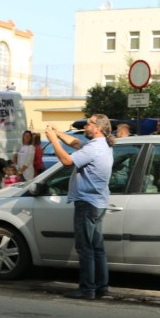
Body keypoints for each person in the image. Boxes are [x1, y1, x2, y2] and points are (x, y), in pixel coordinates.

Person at [45, 115, 114, 300]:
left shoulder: (93, 149)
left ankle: (87, 289)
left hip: (87, 203)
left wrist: (52, 140)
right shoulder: (102, 145)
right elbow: (76, 143)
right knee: (97, 247)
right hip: (98, 202)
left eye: (89, 123)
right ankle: (101, 287)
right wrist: (58, 133)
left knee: (85, 248)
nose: (86, 125)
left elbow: (67, 161)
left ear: (98, 128)